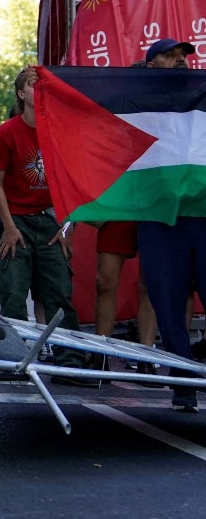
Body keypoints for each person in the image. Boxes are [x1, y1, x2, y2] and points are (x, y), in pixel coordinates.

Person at [0, 68, 83, 365]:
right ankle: (14, 359)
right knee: (13, 295)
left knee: (59, 293)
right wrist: (9, 227)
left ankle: (71, 362)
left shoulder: (61, 130)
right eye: (32, 83)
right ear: (21, 93)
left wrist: (68, 226)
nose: (39, 88)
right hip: (16, 220)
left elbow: (75, 181)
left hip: (51, 220)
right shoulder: (7, 132)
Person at [136, 38, 204, 411]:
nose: (179, 61)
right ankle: (184, 381)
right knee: (167, 302)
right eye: (170, 55)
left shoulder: (203, 95)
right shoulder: (135, 103)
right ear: (151, 66)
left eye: (183, 56)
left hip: (203, 217)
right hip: (160, 220)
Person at [94, 58, 158, 354]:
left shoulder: (165, 113)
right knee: (105, 280)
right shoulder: (113, 115)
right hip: (119, 205)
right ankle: (102, 352)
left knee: (150, 284)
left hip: (152, 204)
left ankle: (147, 353)